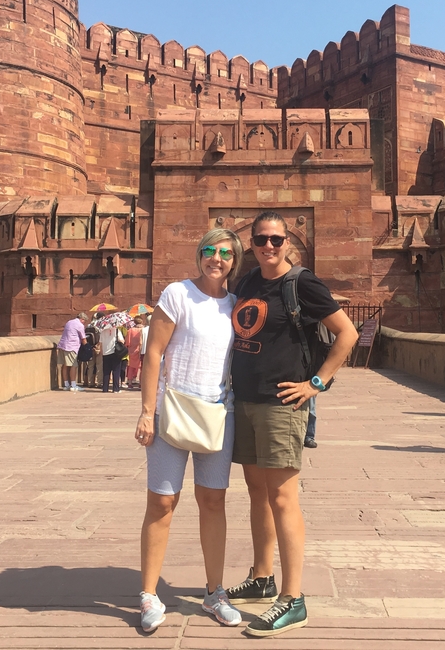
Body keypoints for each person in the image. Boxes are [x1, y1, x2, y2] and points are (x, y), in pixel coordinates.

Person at [226, 211, 358, 637]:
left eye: (276, 239)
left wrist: (316, 383)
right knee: (257, 493)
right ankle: (262, 577)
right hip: (246, 399)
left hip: (281, 403)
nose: (268, 246)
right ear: (251, 243)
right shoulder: (247, 281)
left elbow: (348, 333)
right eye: (261, 239)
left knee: (282, 497)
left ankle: (292, 598)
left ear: (287, 243)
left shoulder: (302, 283)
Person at [134, 229, 245, 633]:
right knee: (162, 502)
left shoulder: (236, 305)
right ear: (199, 254)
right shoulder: (177, 294)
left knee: (213, 501)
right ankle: (149, 594)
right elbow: (154, 353)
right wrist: (147, 412)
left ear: (235, 262)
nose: (217, 258)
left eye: (226, 253)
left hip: (217, 412)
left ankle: (214, 592)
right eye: (209, 250)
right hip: (173, 409)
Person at [56, 312, 88, 391]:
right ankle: (73, 385)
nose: (84, 323)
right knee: (73, 365)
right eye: (84, 321)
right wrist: (88, 348)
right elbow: (83, 338)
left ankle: (66, 385)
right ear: (82, 319)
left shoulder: (69, 322)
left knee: (65, 365)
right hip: (71, 346)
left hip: (62, 345)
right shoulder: (80, 325)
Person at [100, 321, 124, 393]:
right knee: (116, 371)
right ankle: (116, 389)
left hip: (105, 353)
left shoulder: (102, 331)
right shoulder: (117, 330)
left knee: (106, 372)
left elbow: (100, 343)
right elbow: (122, 341)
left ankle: (105, 388)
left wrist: (102, 353)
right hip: (115, 352)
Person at [125, 316, 145, 389]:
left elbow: (127, 342)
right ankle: (140, 383)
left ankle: (130, 383)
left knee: (131, 367)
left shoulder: (130, 330)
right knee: (142, 367)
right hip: (141, 349)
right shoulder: (144, 330)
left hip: (132, 350)